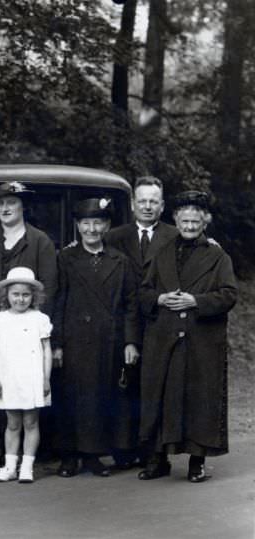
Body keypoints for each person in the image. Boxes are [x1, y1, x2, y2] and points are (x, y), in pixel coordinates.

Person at [137, 190, 237, 483]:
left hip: (201, 338)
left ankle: (197, 461)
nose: (190, 226)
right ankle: (158, 460)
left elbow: (229, 294)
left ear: (205, 222)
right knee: (159, 396)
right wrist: (159, 299)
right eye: (185, 221)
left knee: (199, 399)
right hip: (163, 337)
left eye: (196, 221)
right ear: (176, 220)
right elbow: (142, 293)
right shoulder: (162, 252)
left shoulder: (218, 256)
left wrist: (196, 302)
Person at [0, 181, 57, 478]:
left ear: (22, 206)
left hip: (27, 330)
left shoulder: (40, 241)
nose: (5, 209)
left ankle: (23, 460)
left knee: (25, 389)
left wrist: (42, 331)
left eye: (12, 203)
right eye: (0, 204)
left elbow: (50, 288)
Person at [51, 197, 141, 478]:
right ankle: (68, 456)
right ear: (78, 226)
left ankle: (93, 455)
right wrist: (57, 344)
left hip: (108, 340)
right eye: (86, 223)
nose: (91, 228)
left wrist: (130, 341)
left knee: (101, 396)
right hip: (75, 340)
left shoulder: (120, 261)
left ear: (107, 226)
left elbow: (131, 304)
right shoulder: (65, 258)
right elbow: (57, 301)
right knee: (70, 398)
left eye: (98, 222)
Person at [102, 176, 178, 469]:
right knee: (125, 389)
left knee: (158, 390)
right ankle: (124, 450)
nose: (147, 206)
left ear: (162, 206)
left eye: (153, 202)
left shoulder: (174, 235)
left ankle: (155, 455)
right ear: (133, 204)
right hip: (122, 325)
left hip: (162, 323)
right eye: (142, 201)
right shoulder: (114, 237)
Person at [0, 267, 53, 483]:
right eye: (16, 294)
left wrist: (45, 378)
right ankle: (10, 466)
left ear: (34, 296)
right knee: (13, 423)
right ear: (7, 295)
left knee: (31, 422)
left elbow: (46, 351)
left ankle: (27, 467)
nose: (21, 299)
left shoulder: (39, 319)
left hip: (32, 378)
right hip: (9, 378)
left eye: (26, 294)